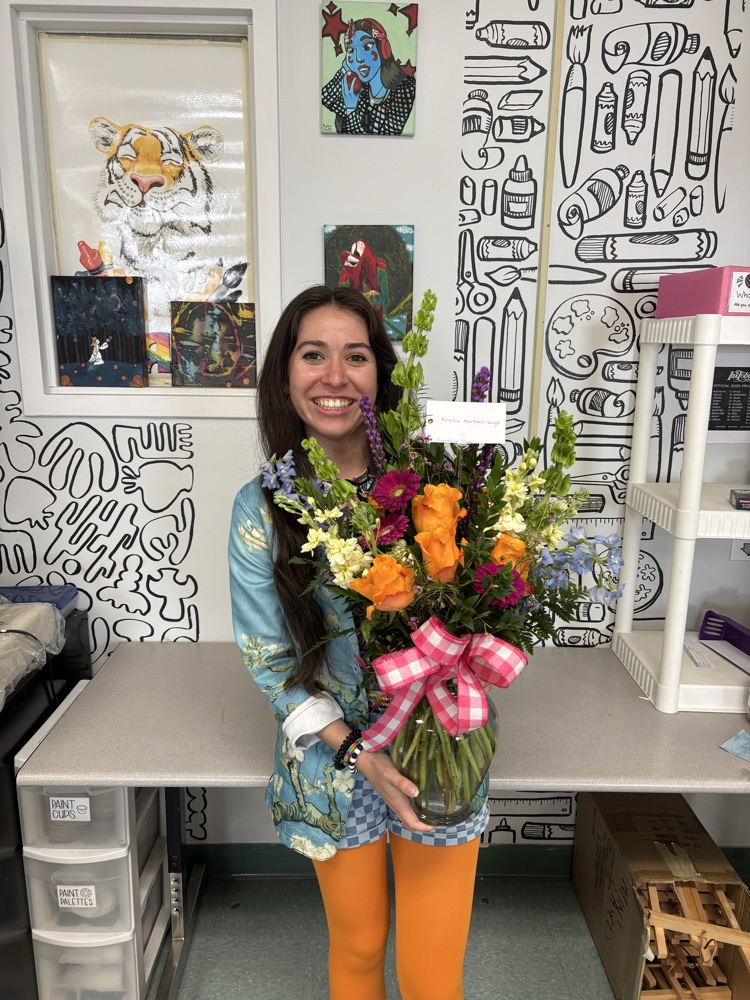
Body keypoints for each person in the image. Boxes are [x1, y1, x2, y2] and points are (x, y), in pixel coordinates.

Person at [228, 285, 488, 1000]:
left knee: (433, 973)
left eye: (357, 356)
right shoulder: (261, 510)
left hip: (437, 752)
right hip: (333, 762)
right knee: (359, 948)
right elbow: (271, 664)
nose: (335, 377)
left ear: (382, 375)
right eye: (314, 355)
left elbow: (483, 607)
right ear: (285, 374)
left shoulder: (438, 489)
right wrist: (357, 752)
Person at [321, 18, 416, 135]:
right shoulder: (361, 87)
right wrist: (346, 68)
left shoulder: (407, 88)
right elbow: (325, 98)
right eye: (351, 49)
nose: (359, 58)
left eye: (367, 47)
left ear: (383, 49)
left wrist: (351, 109)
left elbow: (384, 138)